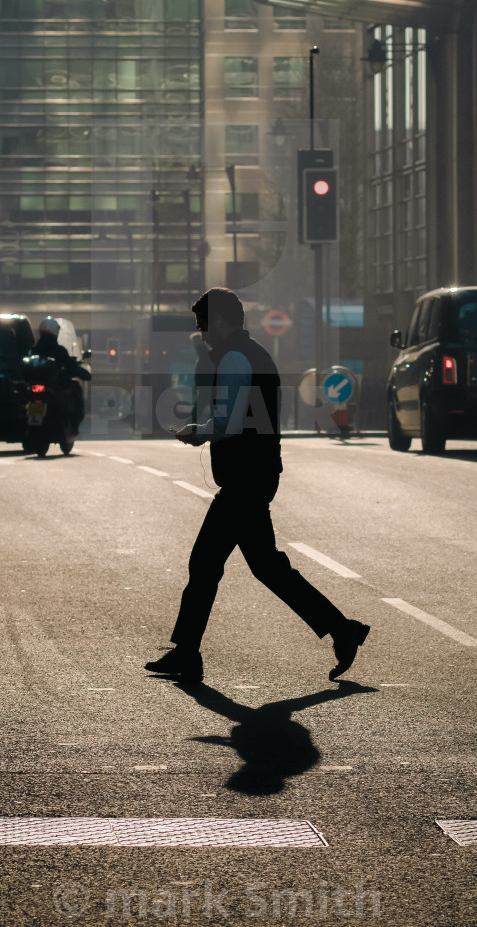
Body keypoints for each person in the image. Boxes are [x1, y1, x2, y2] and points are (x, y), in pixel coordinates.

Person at [145, 287, 370, 686]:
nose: (202, 334)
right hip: (259, 473)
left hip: (244, 478)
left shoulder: (233, 357)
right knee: (268, 568)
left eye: (203, 326)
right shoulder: (255, 353)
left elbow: (230, 420)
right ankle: (342, 629)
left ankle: (187, 653)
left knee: (205, 562)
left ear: (219, 322)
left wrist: (198, 432)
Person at [33, 317, 90, 426]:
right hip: (54, 386)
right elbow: (70, 366)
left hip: (38, 386)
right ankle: (72, 425)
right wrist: (83, 373)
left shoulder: (33, 350)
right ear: (56, 332)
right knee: (75, 389)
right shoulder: (59, 351)